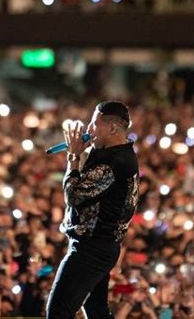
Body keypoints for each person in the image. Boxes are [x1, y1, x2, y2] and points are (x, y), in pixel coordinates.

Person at [46, 101, 140, 319]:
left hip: (92, 247)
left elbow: (74, 196)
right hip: (100, 244)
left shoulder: (117, 162)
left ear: (112, 128)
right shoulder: (107, 152)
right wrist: (83, 151)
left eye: (93, 123)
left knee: (58, 311)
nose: (89, 129)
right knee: (96, 311)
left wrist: (73, 158)